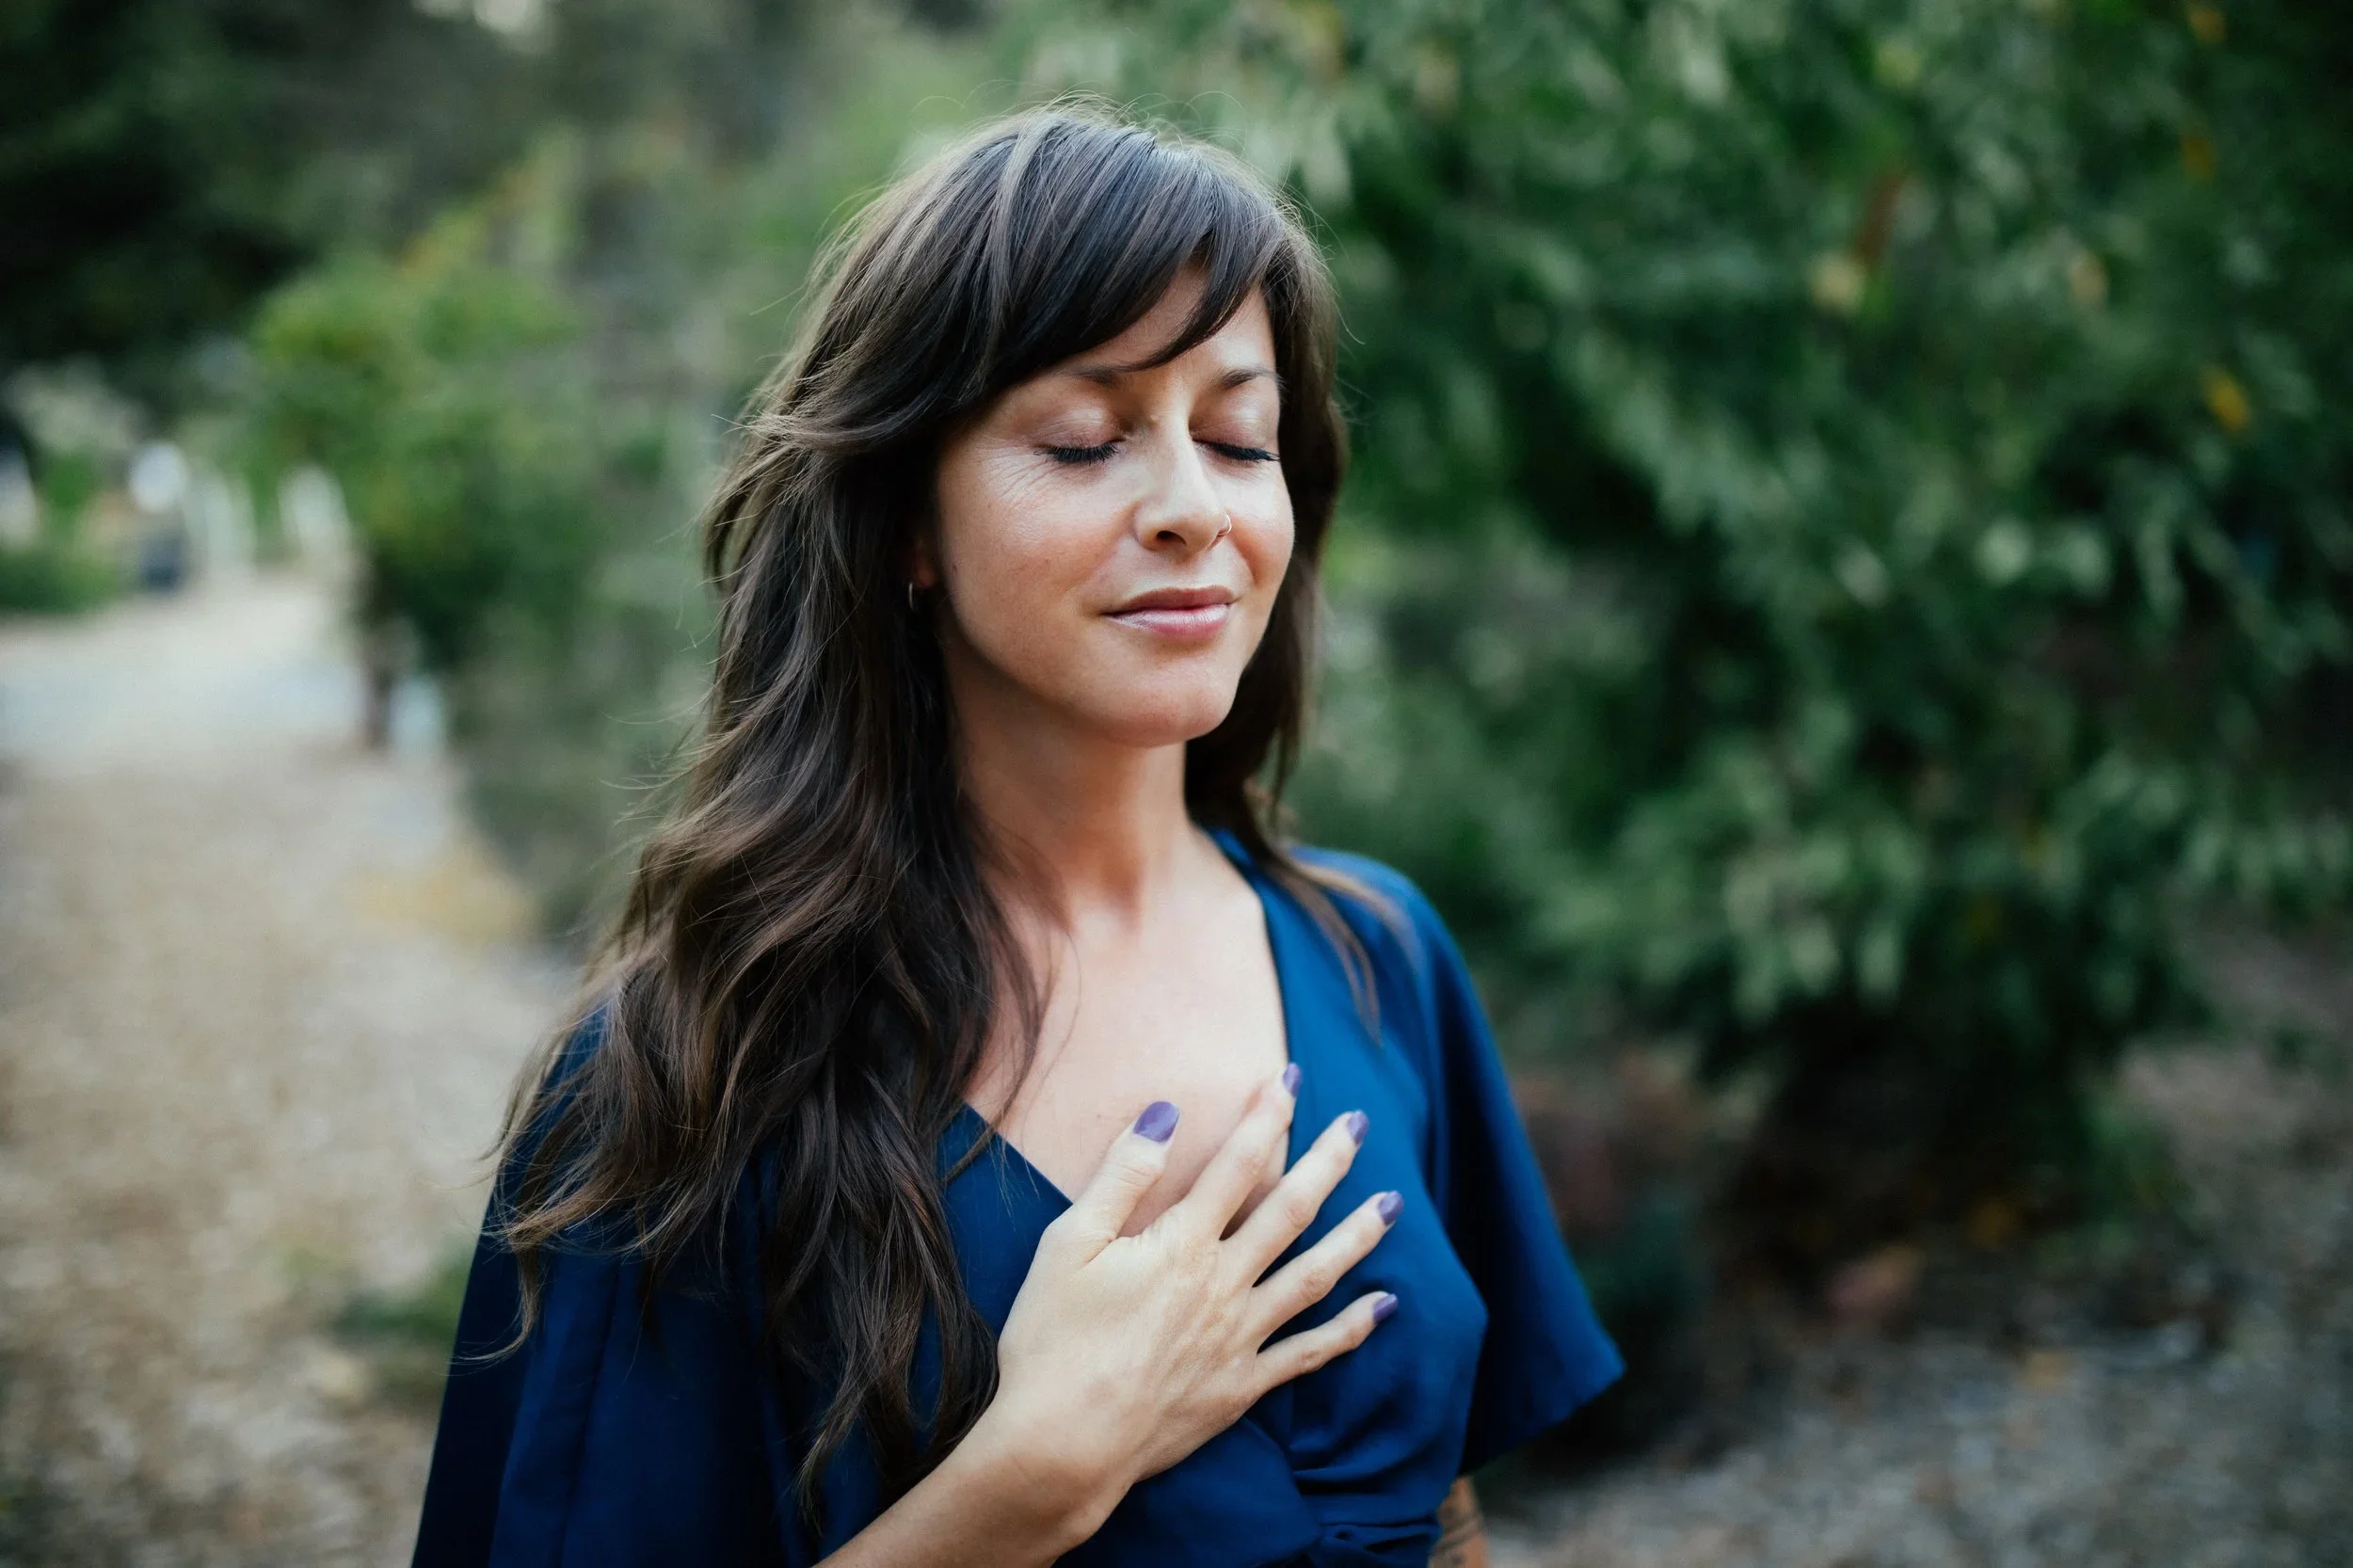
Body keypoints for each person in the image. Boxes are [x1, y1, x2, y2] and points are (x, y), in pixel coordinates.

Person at [410, 103, 1621, 1568]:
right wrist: (1034, 1471)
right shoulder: (693, 1077)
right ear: (905, 523)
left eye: (1238, 436)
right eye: (1085, 438)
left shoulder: (1375, 954)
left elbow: (1441, 1514)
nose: (1192, 507)